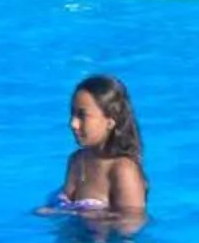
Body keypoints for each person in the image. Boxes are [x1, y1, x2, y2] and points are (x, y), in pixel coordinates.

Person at [38, 73, 148, 234]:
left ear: (110, 121)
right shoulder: (77, 160)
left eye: (82, 116)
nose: (73, 124)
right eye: (72, 114)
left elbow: (130, 228)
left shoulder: (123, 170)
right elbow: (63, 205)